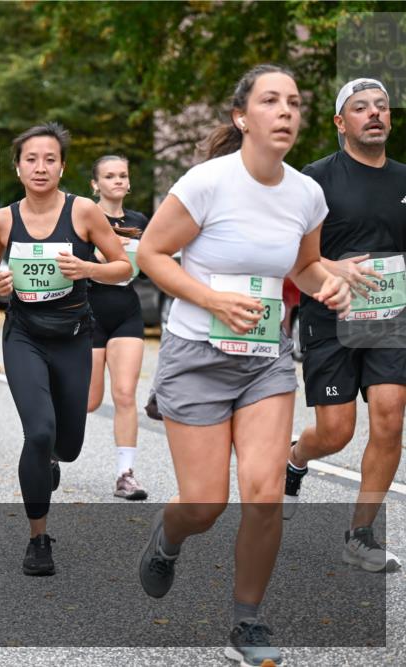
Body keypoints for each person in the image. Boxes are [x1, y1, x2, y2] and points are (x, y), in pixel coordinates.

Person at [135, 64, 351, 667]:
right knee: (204, 504)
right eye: (271, 101)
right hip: (196, 356)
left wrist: (327, 285)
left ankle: (247, 620)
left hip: (264, 360)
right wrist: (209, 299)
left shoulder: (307, 194)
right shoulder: (207, 183)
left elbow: (303, 269)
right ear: (242, 117)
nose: (286, 111)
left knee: (263, 495)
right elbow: (152, 253)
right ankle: (169, 536)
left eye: (295, 102)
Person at [0, 122, 132, 577]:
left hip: (73, 336)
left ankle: (50, 464)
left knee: (69, 445)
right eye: (31, 159)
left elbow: (122, 267)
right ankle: (38, 538)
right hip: (23, 335)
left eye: (49, 159)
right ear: (19, 167)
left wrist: (87, 267)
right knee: (38, 432)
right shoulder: (3, 220)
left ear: (62, 167)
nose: (40, 167)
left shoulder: (84, 212)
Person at [285, 78, 405, 573]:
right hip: (330, 315)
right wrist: (337, 269)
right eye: (360, 108)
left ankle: (361, 534)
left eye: (381, 107)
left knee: (391, 413)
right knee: (335, 432)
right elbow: (293, 258)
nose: (373, 113)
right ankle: (294, 460)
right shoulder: (314, 180)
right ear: (341, 122)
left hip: (391, 317)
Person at [86, 154, 149, 500]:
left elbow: (152, 262)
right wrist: (105, 254)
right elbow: (70, 260)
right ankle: (49, 446)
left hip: (126, 313)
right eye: (109, 176)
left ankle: (126, 475)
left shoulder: (139, 220)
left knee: (125, 394)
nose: (118, 181)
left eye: (122, 175)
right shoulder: (84, 216)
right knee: (90, 401)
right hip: (90, 313)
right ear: (96, 184)